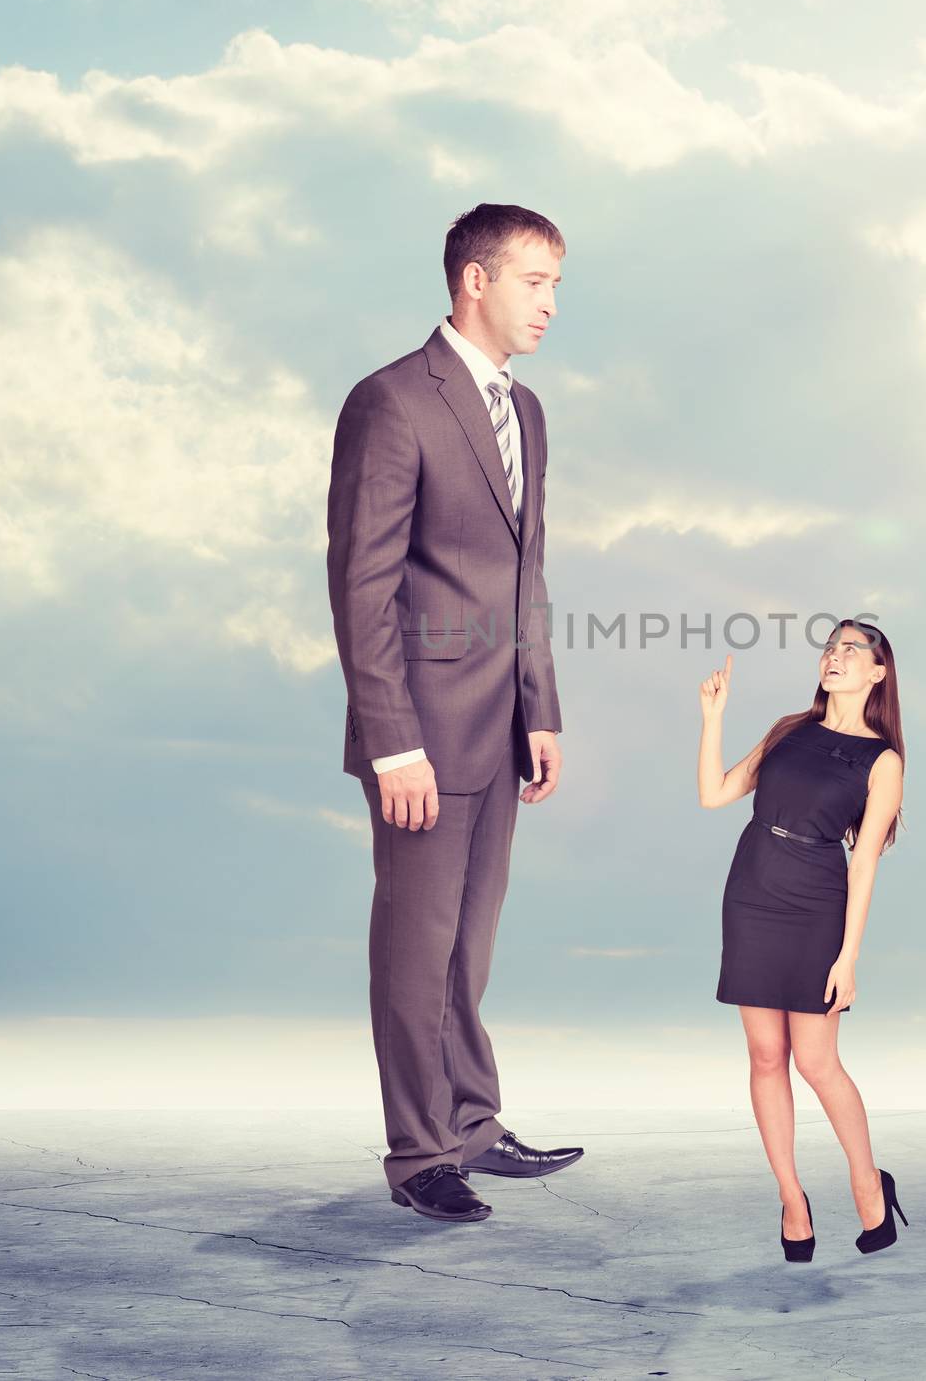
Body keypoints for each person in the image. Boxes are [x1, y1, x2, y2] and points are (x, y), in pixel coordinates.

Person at [325, 203, 582, 1223]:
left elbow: (526, 577)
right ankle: (418, 1153)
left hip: (501, 726)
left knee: (469, 945)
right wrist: (392, 744)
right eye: (535, 282)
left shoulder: (526, 413)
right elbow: (361, 585)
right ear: (473, 280)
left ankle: (473, 1124)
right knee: (417, 943)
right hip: (421, 737)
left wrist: (542, 708)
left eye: (559, 286)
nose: (551, 305)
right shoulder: (391, 402)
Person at [699, 619, 908, 1259]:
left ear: (878, 672)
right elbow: (715, 795)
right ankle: (792, 1196)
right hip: (753, 891)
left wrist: (849, 957)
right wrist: (714, 717)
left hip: (818, 899)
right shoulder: (789, 731)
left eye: (852, 648)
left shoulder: (883, 760)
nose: (835, 655)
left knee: (816, 1061)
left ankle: (867, 1179)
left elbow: (866, 860)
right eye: (830, 646)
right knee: (766, 1056)